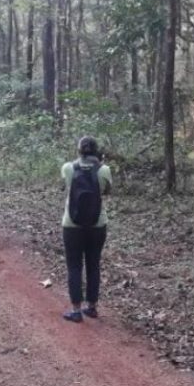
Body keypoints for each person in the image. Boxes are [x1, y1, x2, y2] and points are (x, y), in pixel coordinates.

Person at [60, 136, 112, 322]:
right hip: (97, 224)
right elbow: (106, 191)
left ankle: (75, 310)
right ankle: (92, 307)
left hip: (71, 225)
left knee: (74, 266)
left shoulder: (68, 168)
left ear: (79, 150)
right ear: (96, 150)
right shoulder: (104, 170)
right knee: (93, 265)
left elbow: (66, 187)